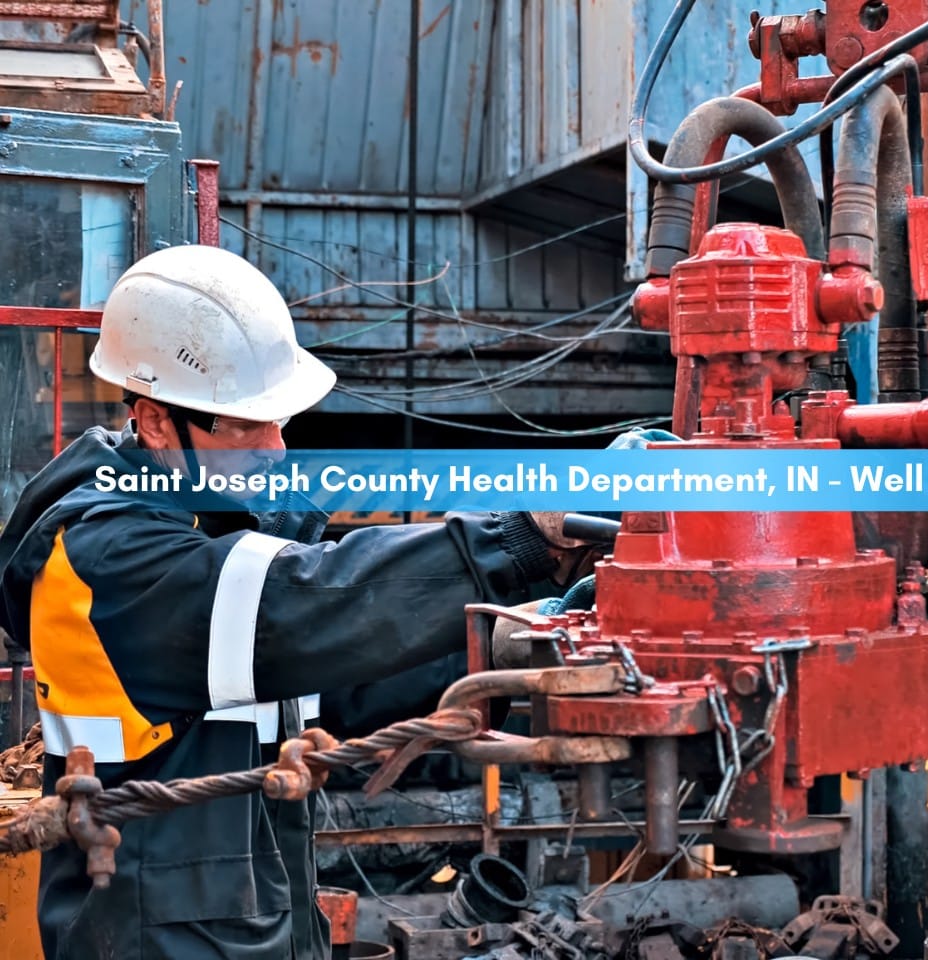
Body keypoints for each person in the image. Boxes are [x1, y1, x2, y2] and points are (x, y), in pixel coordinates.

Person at [0, 244, 599, 959]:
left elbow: (334, 687)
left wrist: (499, 644)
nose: (277, 449)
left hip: (243, 920)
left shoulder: (206, 521)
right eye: (247, 426)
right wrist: (520, 538)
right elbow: (305, 608)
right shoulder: (105, 554)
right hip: (153, 934)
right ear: (157, 423)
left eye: (279, 421)